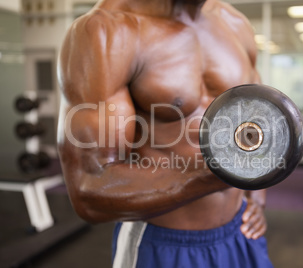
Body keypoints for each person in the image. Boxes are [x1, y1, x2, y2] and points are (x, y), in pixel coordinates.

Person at [57, 0, 274, 267]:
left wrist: (256, 197)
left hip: (240, 232)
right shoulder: (106, 31)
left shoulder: (235, 23)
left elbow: (259, 117)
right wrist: (223, 172)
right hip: (162, 245)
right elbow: (89, 187)